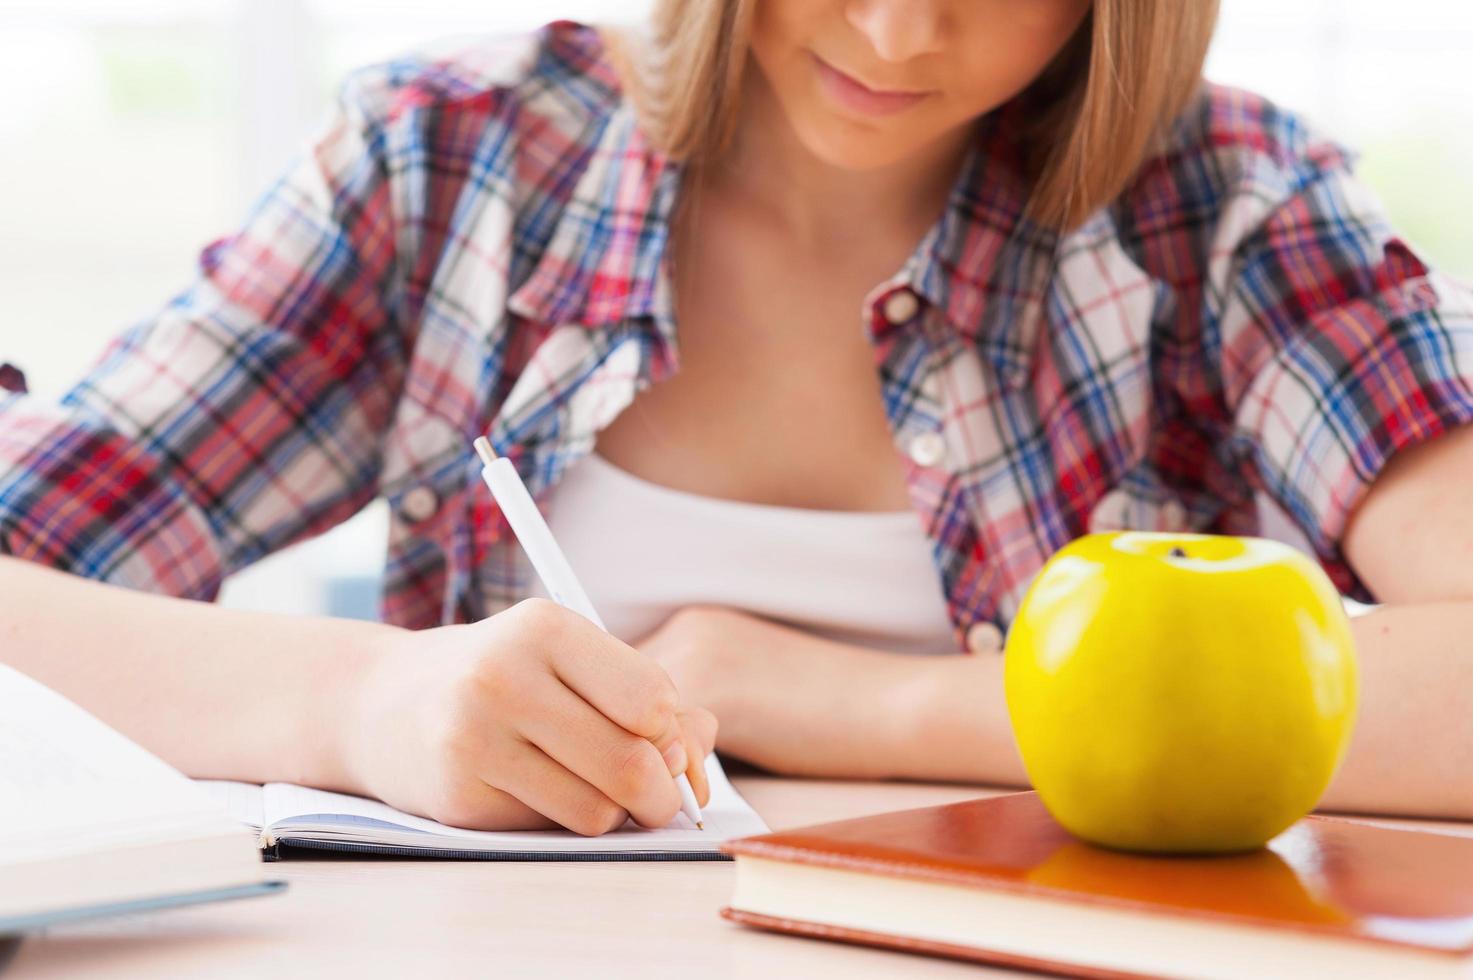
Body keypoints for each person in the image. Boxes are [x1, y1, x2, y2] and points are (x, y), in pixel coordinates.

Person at [3, 0, 1472, 835]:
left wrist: (824, 695)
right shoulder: (447, 165)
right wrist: (362, 701)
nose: (900, 32)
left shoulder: (1228, 210)